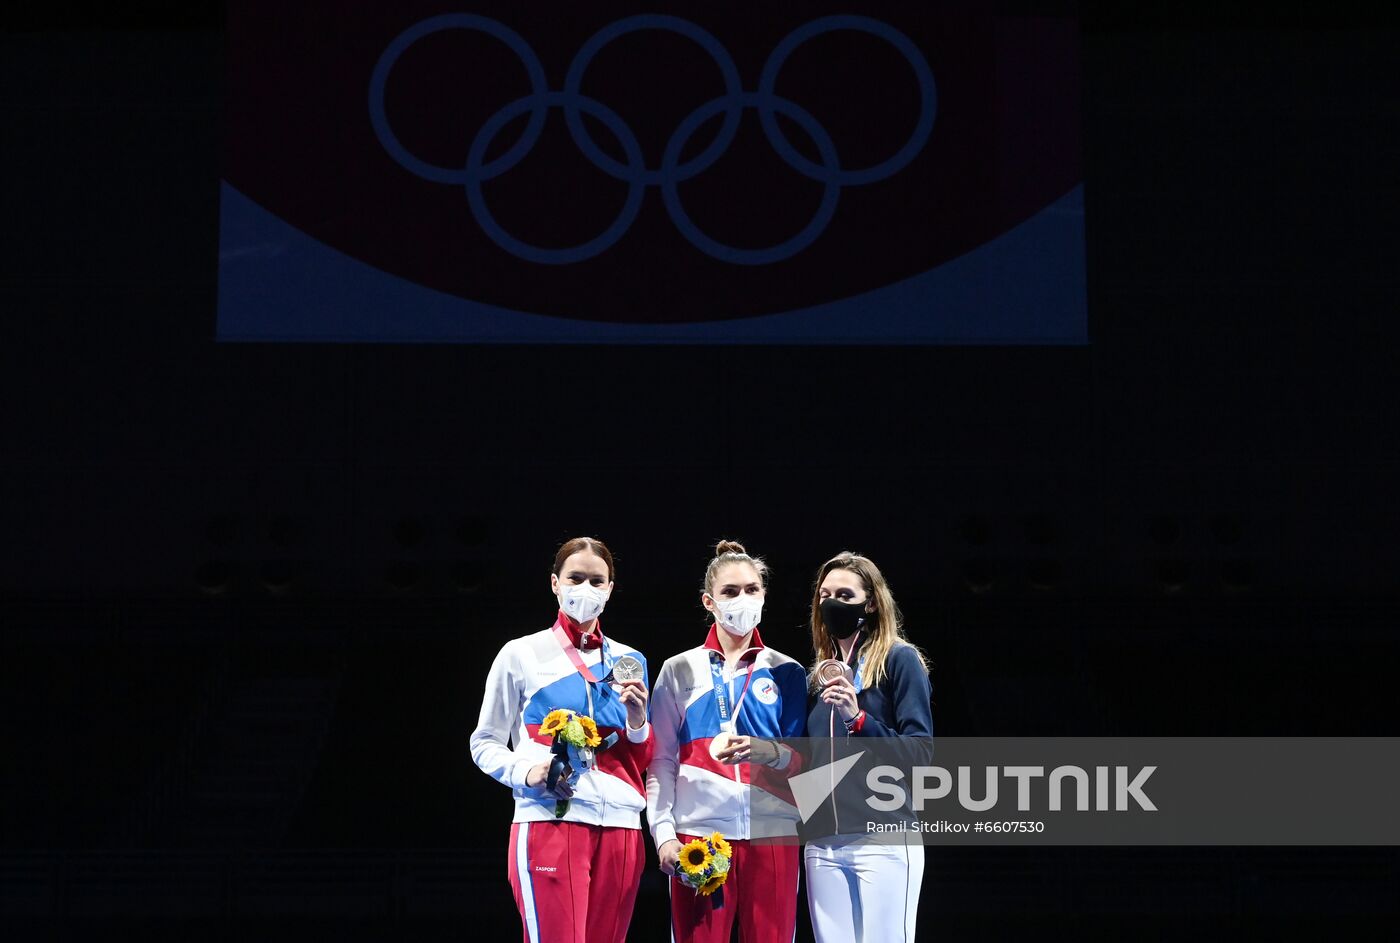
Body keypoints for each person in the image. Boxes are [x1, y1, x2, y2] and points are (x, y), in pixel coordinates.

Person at [469, 537, 653, 943]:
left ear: (609, 589)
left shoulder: (630, 660)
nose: (585, 589)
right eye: (576, 578)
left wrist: (639, 720)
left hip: (623, 827)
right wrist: (527, 771)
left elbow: (639, 758)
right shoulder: (521, 654)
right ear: (555, 583)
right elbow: (484, 741)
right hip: (552, 819)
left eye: (596, 580)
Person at [646, 540, 808, 942]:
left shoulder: (787, 671)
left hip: (773, 835)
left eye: (752, 589)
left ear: (764, 595)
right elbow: (660, 760)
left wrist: (768, 752)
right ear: (708, 601)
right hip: (699, 836)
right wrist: (663, 833)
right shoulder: (678, 669)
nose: (743, 599)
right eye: (730, 592)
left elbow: (803, 763)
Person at [803, 551, 933, 943]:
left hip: (883, 837)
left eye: (844, 595)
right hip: (822, 845)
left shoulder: (899, 660)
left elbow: (921, 754)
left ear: (871, 602)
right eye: (824, 595)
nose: (831, 604)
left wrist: (859, 720)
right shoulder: (818, 677)